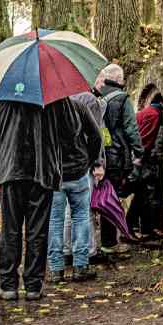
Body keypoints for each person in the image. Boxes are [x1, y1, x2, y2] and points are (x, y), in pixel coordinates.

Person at [0, 97, 100, 300]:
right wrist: (83, 163)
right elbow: (72, 133)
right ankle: (33, 285)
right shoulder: (52, 100)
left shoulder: (1, 99)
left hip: (12, 171)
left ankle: (9, 283)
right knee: (38, 230)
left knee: (11, 229)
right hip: (42, 172)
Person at [48, 91, 106, 283]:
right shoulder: (78, 107)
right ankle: (81, 266)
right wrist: (88, 161)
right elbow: (96, 135)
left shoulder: (44, 110)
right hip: (78, 172)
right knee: (81, 216)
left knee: (55, 220)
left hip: (55, 175)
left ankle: (56, 268)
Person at [95, 64, 144, 254]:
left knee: (101, 197)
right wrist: (138, 152)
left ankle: (98, 243)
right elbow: (131, 129)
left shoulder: (97, 97)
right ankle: (110, 243)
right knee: (111, 198)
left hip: (99, 155)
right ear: (119, 80)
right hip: (116, 156)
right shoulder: (122, 99)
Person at [128, 94, 163, 239]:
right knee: (146, 195)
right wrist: (140, 158)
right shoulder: (154, 115)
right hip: (145, 162)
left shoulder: (143, 113)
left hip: (138, 159)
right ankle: (137, 227)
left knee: (142, 194)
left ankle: (142, 228)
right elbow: (146, 139)